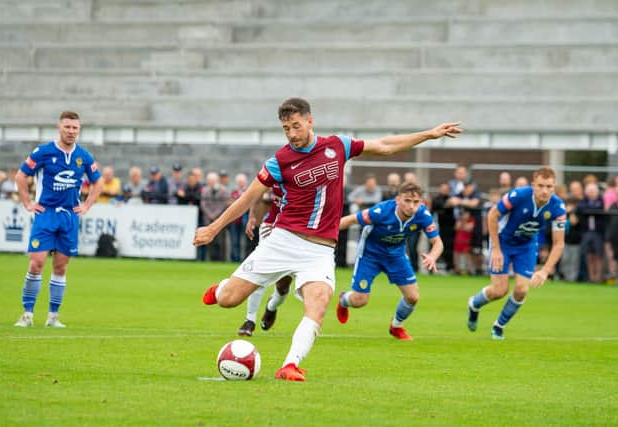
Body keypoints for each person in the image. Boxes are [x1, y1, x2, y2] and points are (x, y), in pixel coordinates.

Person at [195, 97, 461, 381]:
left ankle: (290, 365)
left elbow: (384, 146)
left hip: (320, 250)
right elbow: (247, 198)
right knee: (228, 300)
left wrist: (428, 134)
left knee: (319, 303)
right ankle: (221, 289)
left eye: (296, 126)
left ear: (310, 121)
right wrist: (214, 228)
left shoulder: (337, 145)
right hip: (283, 241)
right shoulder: (279, 161)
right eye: (286, 129)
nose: (292, 134)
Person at [14, 111, 102, 328]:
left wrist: (87, 204)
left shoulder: (83, 156)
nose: (71, 132)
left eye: (75, 128)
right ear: (59, 127)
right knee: (36, 263)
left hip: (69, 216)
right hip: (46, 214)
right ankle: (27, 314)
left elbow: (97, 182)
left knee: (60, 268)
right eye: (67, 127)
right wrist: (27, 203)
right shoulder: (43, 152)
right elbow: (20, 176)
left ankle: (53, 316)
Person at [335, 182, 443, 340]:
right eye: (407, 200)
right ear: (398, 199)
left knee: (413, 297)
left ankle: (396, 326)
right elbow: (351, 220)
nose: (411, 206)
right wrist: (324, 233)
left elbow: (438, 243)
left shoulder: (423, 215)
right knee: (360, 301)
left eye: (416, 202)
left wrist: (433, 256)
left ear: (421, 203)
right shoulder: (381, 211)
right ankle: (344, 300)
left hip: (396, 256)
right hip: (370, 255)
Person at [466, 167, 565, 340]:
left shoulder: (557, 207)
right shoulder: (518, 196)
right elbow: (492, 215)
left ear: (553, 187)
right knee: (499, 290)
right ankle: (474, 304)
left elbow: (559, 243)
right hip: (502, 242)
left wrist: (545, 270)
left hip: (526, 246)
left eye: (549, 186)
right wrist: (496, 249)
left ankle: (499, 326)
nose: (544, 190)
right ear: (533, 185)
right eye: (541, 186)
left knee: (521, 290)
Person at [237, 183, 292, 337]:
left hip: (295, 232)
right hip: (270, 226)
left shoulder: (311, 174)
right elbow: (255, 191)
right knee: (260, 272)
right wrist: (252, 216)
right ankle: (250, 320)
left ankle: (272, 306)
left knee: (283, 284)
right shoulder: (278, 169)